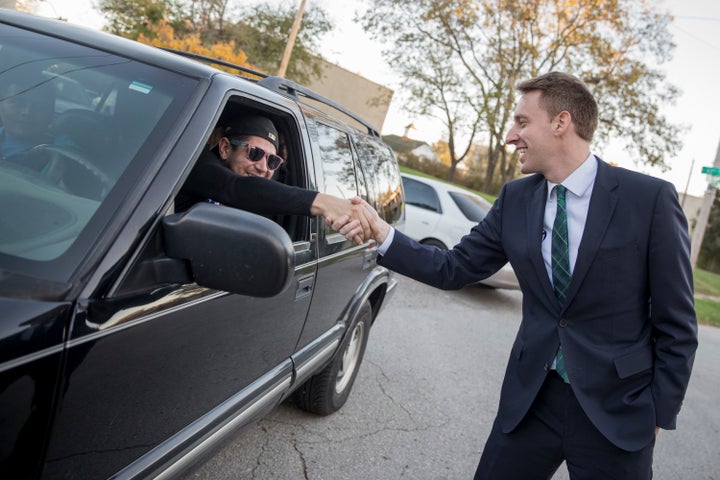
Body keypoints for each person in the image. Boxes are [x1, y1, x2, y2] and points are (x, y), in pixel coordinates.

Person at [332, 72, 698, 479]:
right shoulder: (515, 198)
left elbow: (677, 323)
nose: (510, 136)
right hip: (531, 404)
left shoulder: (648, 200)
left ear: (561, 123)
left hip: (616, 413)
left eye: (522, 122)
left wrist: (659, 412)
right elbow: (453, 268)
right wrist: (383, 236)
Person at [176, 114, 372, 239]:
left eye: (272, 161)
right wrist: (326, 203)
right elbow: (235, 187)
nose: (263, 167)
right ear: (225, 148)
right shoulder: (194, 164)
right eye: (254, 153)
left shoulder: (268, 202)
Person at [0, 71, 56, 160]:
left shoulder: (59, 158)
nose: (27, 112)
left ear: (51, 114)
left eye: (40, 106)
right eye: (17, 102)